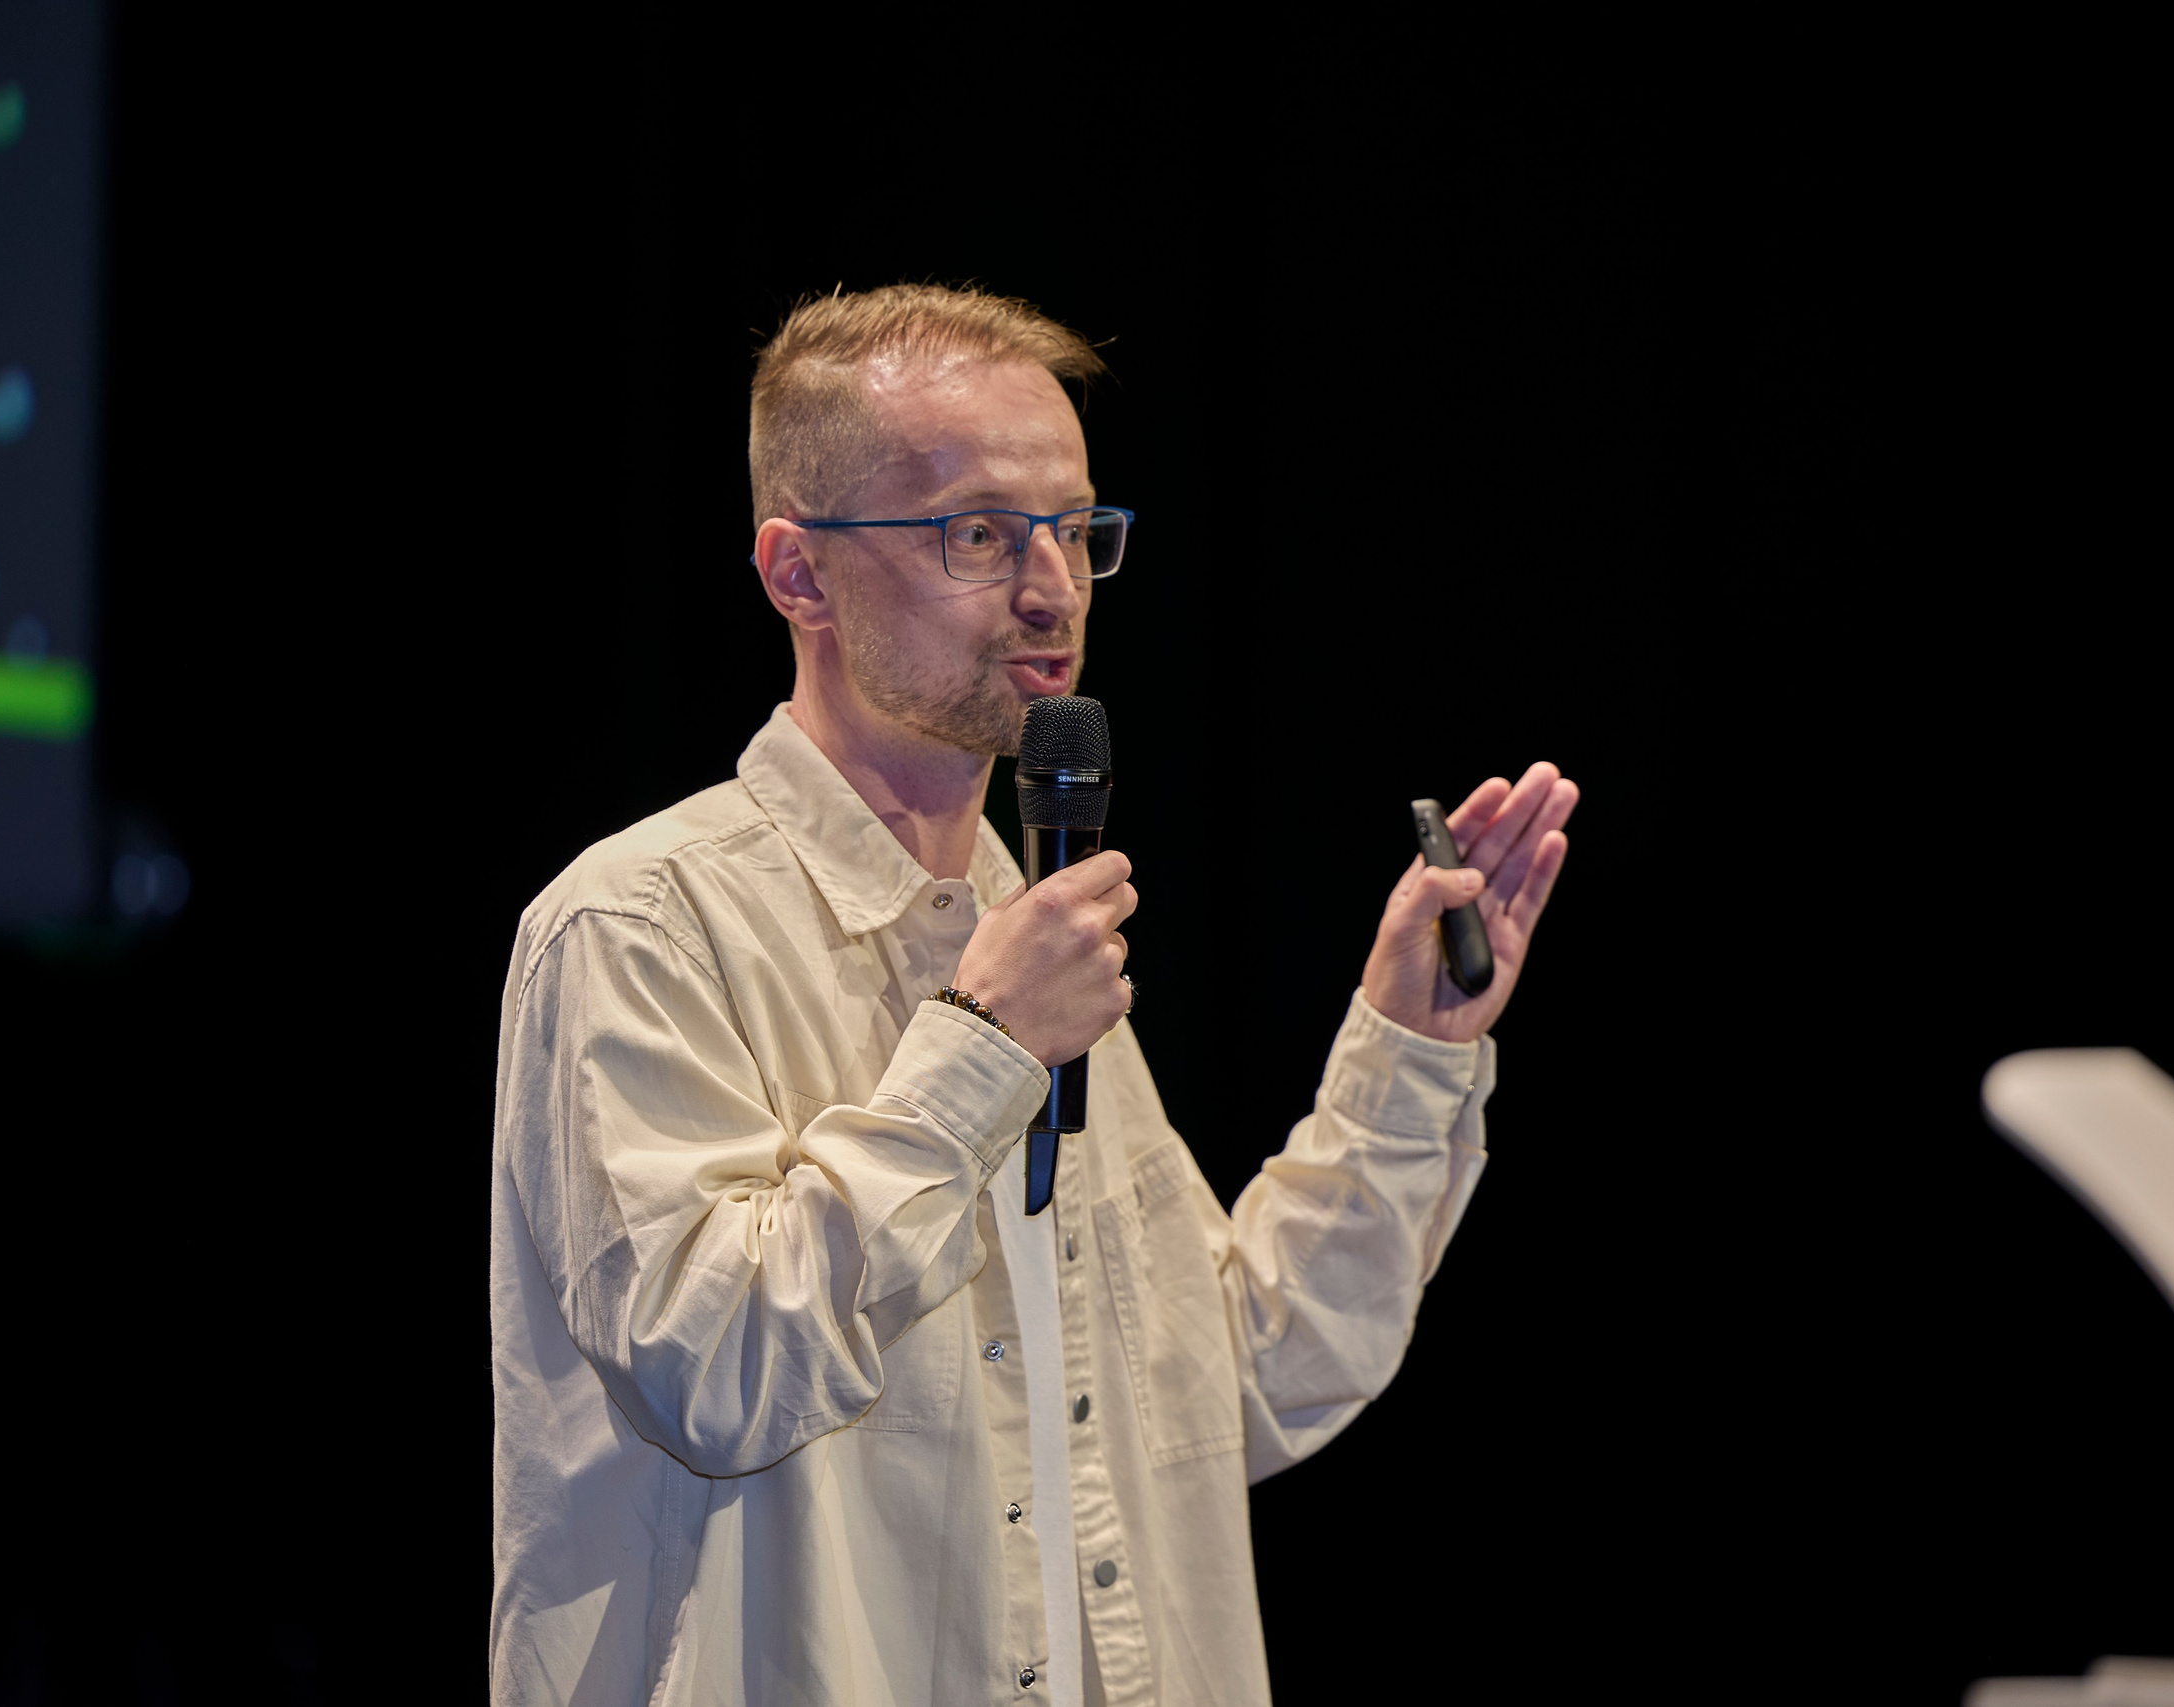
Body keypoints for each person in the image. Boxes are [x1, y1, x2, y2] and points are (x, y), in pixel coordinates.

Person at [489, 283, 1578, 1706]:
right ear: (796, 572)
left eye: (1074, 528)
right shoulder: (643, 925)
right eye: (981, 532)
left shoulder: (1030, 930)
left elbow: (1221, 1388)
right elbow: (717, 1371)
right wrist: (979, 1051)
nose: (1054, 587)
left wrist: (1405, 1056)